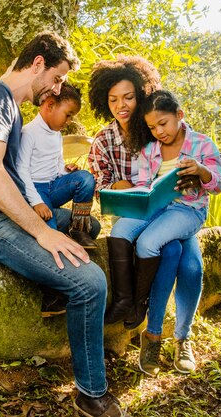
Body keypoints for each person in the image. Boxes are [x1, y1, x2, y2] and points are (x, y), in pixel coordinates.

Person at [0, 32, 128, 417]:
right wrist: (42, 231)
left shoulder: (8, 105)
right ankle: (91, 393)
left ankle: (52, 286)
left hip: (3, 213)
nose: (57, 88)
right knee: (91, 281)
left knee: (87, 226)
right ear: (37, 64)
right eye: (58, 77)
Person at [87, 56, 206, 376]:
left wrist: (194, 174)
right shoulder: (102, 140)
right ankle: (146, 326)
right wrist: (120, 186)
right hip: (133, 216)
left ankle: (182, 337)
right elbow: (100, 187)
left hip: (175, 211)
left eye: (128, 97)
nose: (121, 105)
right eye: (112, 99)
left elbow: (201, 157)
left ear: (142, 94)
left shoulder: (158, 124)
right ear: (104, 101)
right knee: (171, 251)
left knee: (192, 267)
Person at [113, 89, 221, 375]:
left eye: (163, 123)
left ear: (179, 115)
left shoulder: (202, 144)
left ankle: (180, 337)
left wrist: (200, 171)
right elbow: (141, 183)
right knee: (122, 230)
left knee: (155, 246)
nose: (159, 131)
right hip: (158, 210)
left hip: (187, 211)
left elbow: (218, 185)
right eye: (152, 127)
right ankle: (134, 307)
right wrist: (131, 193)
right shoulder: (150, 149)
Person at [16, 83, 97, 249]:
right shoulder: (29, 133)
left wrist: (65, 170)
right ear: (50, 105)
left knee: (86, 178)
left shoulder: (57, 135)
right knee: (50, 231)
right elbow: (21, 170)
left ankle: (78, 229)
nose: (68, 121)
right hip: (36, 190)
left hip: (54, 187)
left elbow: (57, 165)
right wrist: (37, 202)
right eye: (67, 115)